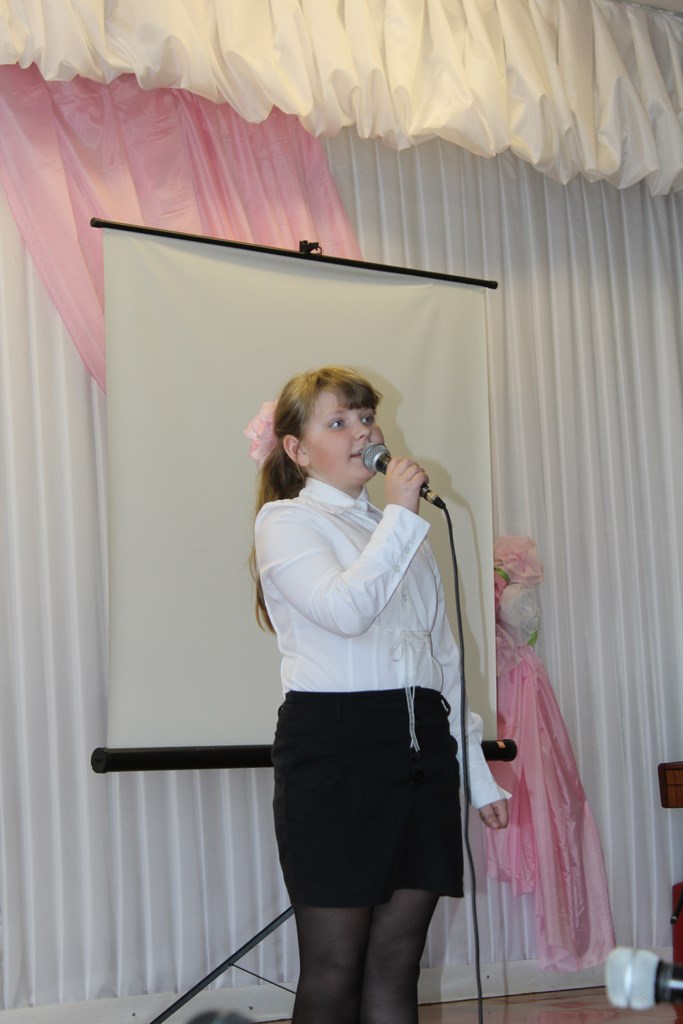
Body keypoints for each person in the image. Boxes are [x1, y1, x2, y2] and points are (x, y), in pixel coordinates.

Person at [245, 366, 509, 1024]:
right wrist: (399, 515)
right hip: (335, 750)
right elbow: (345, 611)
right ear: (297, 449)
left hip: (421, 749)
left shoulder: (399, 531)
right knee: (334, 965)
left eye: (365, 417)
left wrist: (477, 777)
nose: (362, 432)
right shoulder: (288, 521)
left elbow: (443, 660)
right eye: (338, 422)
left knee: (396, 962)